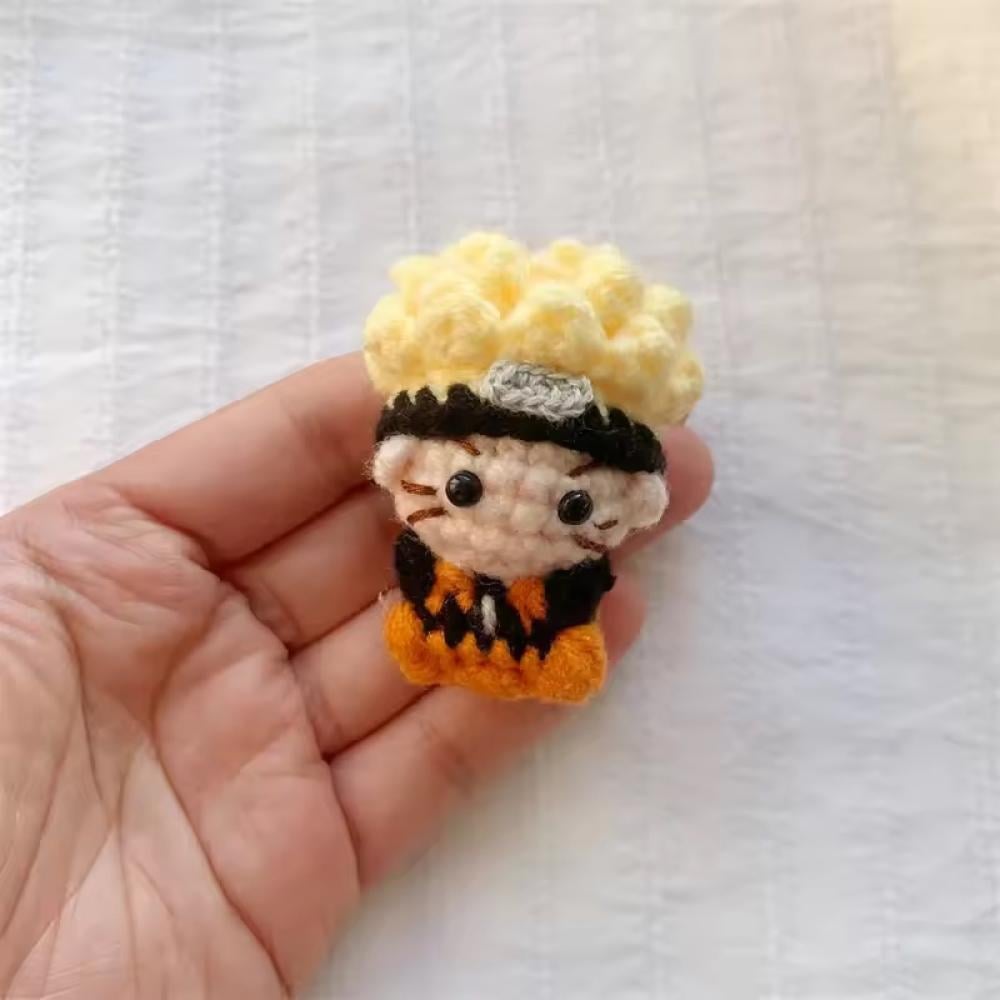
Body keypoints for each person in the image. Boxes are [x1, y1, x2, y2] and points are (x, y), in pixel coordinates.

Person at [0, 352, 712, 998]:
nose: (513, 520)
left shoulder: (566, 581)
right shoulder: (429, 559)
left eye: (574, 505)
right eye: (464, 486)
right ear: (400, 467)